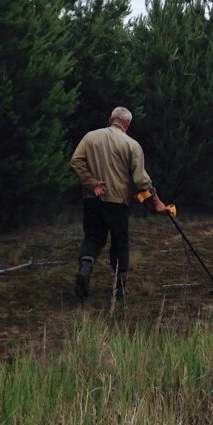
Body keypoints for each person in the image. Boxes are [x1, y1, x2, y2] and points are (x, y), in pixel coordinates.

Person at [69, 106, 168, 302]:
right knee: (120, 243)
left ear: (110, 119)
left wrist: (91, 182)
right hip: (118, 202)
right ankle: (119, 289)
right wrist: (156, 202)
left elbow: (76, 161)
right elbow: (141, 181)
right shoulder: (132, 145)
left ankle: (86, 267)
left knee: (93, 238)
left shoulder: (90, 137)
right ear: (127, 124)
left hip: (92, 199)